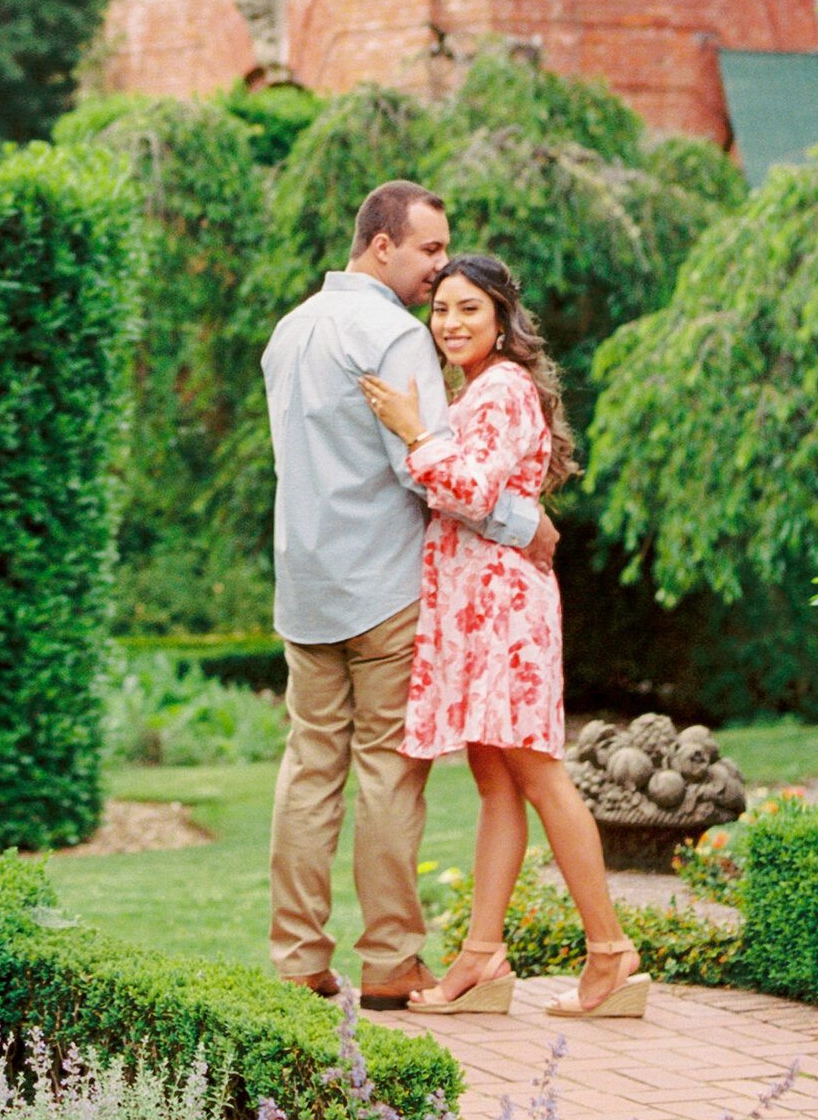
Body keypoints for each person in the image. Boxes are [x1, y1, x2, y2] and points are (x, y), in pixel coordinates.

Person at [262, 181, 558, 1006]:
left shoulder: (287, 333)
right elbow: (429, 471)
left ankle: (297, 960)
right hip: (386, 587)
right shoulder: (394, 338)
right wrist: (523, 522)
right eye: (429, 250)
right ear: (381, 244)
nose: (438, 269)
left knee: (308, 770)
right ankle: (392, 961)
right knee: (390, 774)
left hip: (305, 585)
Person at [360, 251, 647, 1021]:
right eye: (442, 309)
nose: (450, 324)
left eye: (469, 311)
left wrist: (414, 428)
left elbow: (468, 488)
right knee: (495, 784)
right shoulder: (480, 390)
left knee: (540, 774)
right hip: (472, 604)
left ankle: (611, 953)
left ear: (502, 319)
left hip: (503, 610)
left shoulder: (502, 390)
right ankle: (483, 957)